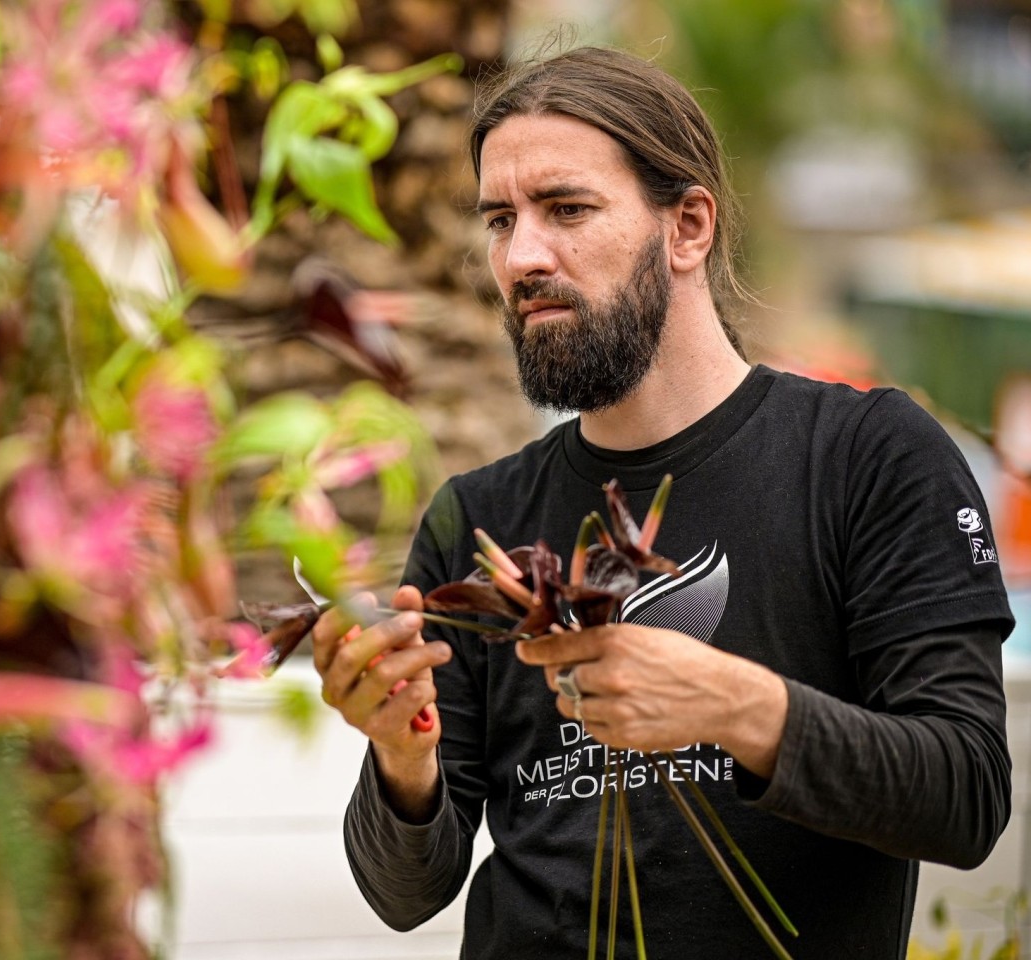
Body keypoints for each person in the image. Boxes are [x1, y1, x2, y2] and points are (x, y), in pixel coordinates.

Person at [311, 44, 1014, 959]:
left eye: (566, 209)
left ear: (687, 227)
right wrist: (403, 759)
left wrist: (738, 705)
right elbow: (407, 895)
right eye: (499, 220)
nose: (522, 256)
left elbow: (966, 796)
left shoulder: (865, 456)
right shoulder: (476, 516)